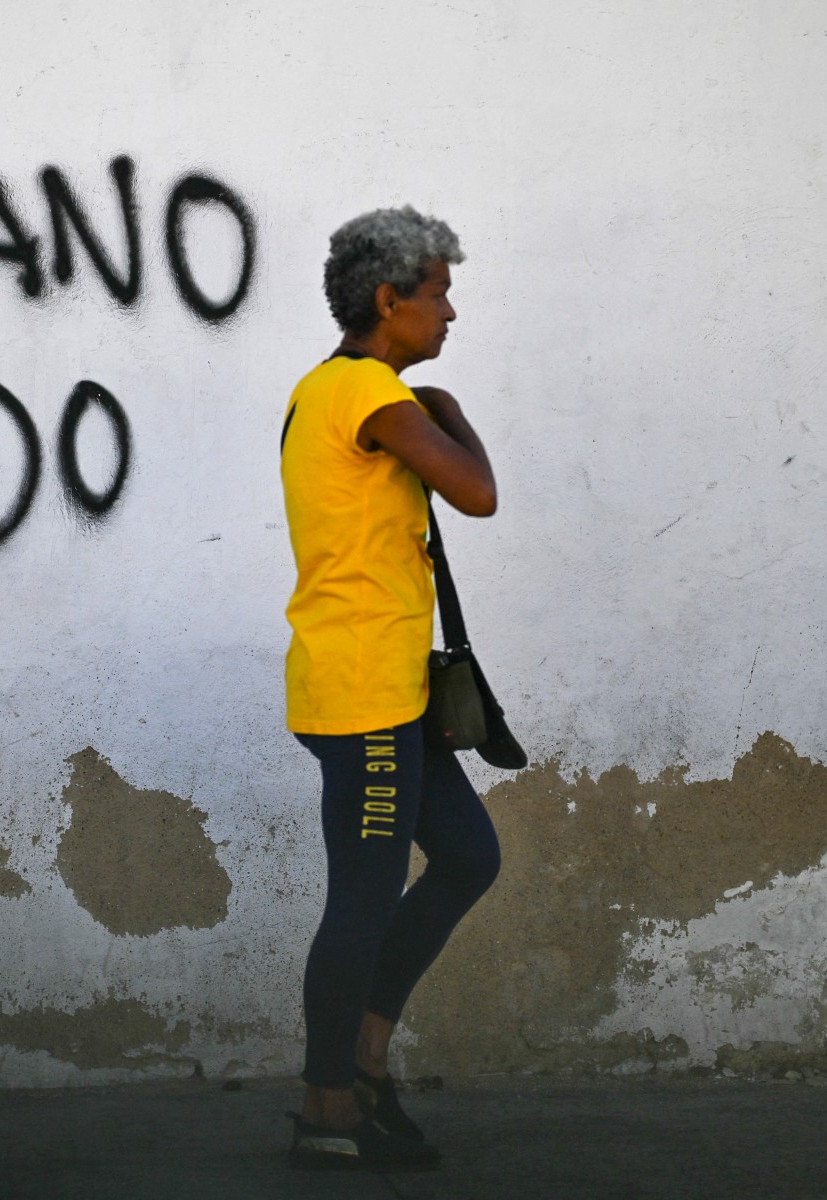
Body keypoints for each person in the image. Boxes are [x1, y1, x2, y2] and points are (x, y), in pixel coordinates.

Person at [279, 207, 502, 1173]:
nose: (450, 314)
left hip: (392, 690)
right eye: (438, 293)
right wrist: (451, 411)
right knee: (361, 900)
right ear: (388, 299)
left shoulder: (333, 392)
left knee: (466, 856)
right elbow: (476, 492)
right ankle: (330, 1102)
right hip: (362, 693)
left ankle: (364, 1057)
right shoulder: (365, 392)